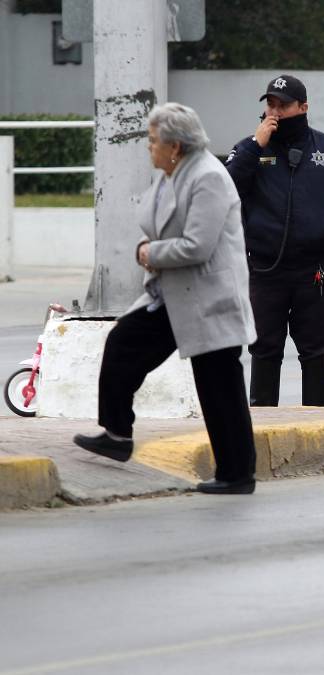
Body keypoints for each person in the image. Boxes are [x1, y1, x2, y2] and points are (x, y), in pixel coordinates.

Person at [72, 103, 258, 495]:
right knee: (123, 343)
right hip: (172, 293)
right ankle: (117, 434)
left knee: (219, 386)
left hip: (208, 298)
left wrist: (150, 253)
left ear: (175, 146)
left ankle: (237, 475)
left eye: (154, 140)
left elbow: (197, 246)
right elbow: (153, 226)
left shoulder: (208, 177)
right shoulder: (171, 174)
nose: (149, 146)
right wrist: (147, 248)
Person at [225, 74, 324, 407]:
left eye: (283, 106)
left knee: (316, 350)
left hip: (313, 270)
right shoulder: (249, 149)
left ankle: (318, 422)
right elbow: (224, 190)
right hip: (264, 269)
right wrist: (254, 146)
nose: (275, 112)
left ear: (303, 107)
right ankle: (263, 427)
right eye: (270, 105)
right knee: (264, 349)